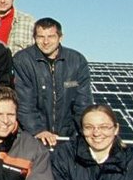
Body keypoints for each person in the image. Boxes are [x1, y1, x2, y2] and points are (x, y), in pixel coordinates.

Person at [13, 17, 92, 146]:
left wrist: (86, 131)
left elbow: (83, 103)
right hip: (34, 136)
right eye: (40, 37)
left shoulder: (77, 61)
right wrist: (38, 130)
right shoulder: (23, 60)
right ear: (34, 38)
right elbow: (24, 103)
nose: (46, 42)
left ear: (60, 37)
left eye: (51, 36)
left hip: (68, 136)